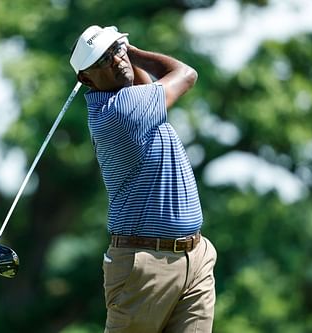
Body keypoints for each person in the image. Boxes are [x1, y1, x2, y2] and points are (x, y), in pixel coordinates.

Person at [70, 25, 217, 333]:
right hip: (144, 265)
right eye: (103, 60)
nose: (116, 62)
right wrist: (131, 50)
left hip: (196, 256)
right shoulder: (120, 112)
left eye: (115, 53)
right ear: (85, 79)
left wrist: (119, 52)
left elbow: (143, 82)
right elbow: (186, 74)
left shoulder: (131, 99)